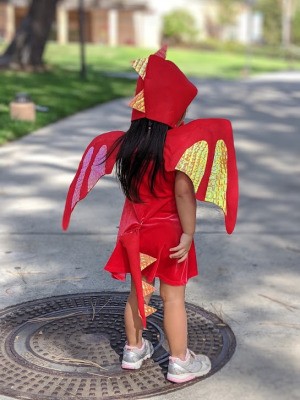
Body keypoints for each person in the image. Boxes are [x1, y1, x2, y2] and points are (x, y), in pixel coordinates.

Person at [62, 46, 238, 383]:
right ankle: (180, 361)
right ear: (174, 113)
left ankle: (133, 350)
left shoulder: (125, 145)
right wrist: (188, 233)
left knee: (137, 294)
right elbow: (184, 194)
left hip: (134, 232)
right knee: (172, 298)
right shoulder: (178, 146)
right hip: (169, 234)